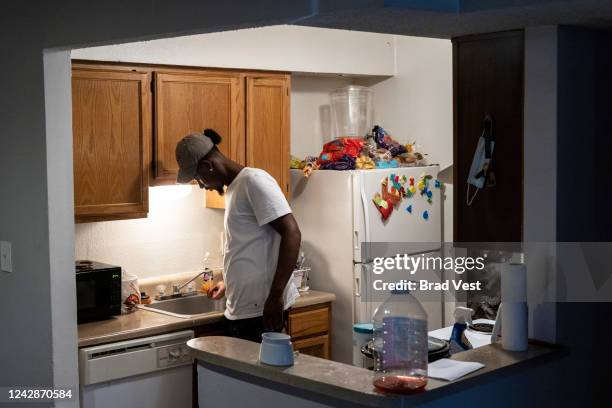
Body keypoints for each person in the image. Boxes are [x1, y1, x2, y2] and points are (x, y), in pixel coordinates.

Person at [175, 129, 301, 342]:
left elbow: (292, 233)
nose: (202, 185)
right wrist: (228, 283)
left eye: (198, 178)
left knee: (262, 375)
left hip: (261, 311)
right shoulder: (234, 189)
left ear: (208, 166)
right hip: (244, 310)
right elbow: (248, 245)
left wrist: (275, 296)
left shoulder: (254, 181)